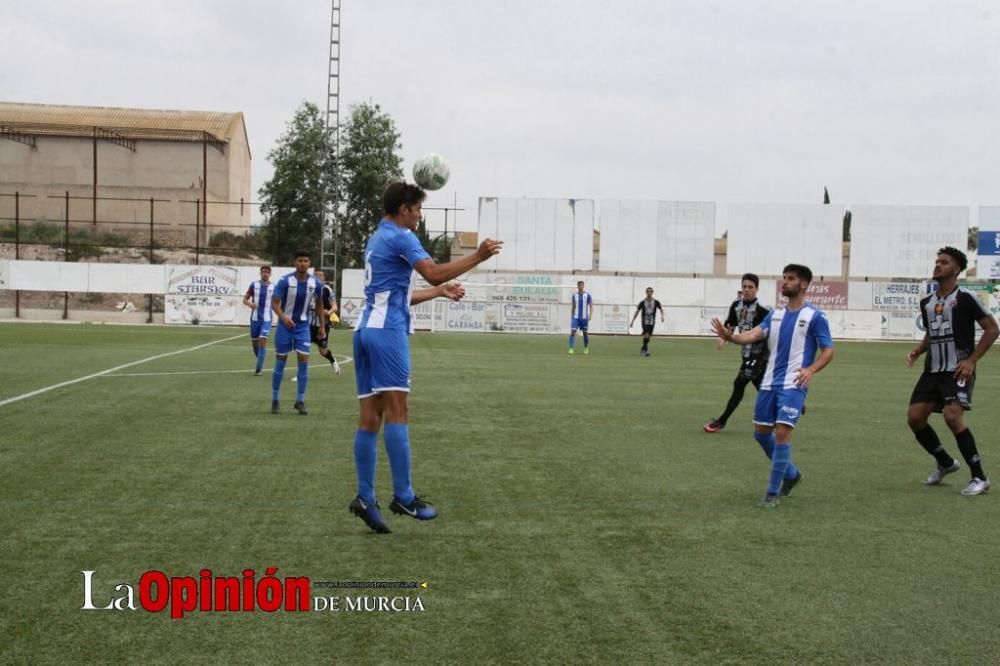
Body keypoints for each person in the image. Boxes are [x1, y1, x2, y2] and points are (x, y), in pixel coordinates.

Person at [348, 181, 503, 534]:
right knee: (399, 411)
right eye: (418, 209)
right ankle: (404, 495)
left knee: (370, 418)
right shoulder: (402, 237)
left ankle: (364, 497)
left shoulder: (378, 237)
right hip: (387, 333)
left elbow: (396, 293)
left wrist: (438, 292)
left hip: (365, 330)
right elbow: (431, 269)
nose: (420, 215)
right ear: (404, 209)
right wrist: (477, 256)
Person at [711, 264, 834, 509]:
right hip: (768, 382)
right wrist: (731, 337)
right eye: (784, 278)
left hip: (794, 383)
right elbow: (754, 335)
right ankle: (791, 473)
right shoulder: (775, 315)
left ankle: (772, 491)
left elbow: (828, 350)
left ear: (804, 285)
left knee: (782, 432)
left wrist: (811, 370)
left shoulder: (815, 316)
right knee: (760, 433)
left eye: (790, 279)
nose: (784, 282)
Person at [906, 247, 999, 496]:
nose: (938, 265)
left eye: (944, 262)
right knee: (915, 418)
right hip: (932, 370)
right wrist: (919, 350)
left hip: (958, 368)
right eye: (936, 261)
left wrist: (971, 361)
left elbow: (992, 329)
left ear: (956, 269)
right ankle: (946, 463)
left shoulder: (967, 297)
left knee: (952, 416)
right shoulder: (927, 301)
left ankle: (980, 477)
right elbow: (932, 332)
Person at [704, 274, 769, 432]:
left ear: (757, 289)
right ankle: (787, 402)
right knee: (760, 384)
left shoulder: (763, 311)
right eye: (744, 286)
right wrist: (723, 338)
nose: (747, 290)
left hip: (759, 354)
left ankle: (721, 421)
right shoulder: (736, 306)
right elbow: (729, 326)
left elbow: (768, 334)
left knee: (739, 384)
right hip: (746, 353)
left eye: (750, 287)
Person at [270, 251, 323, 416]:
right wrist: (284, 318)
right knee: (281, 360)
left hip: (303, 327)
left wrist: (322, 326)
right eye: (300, 260)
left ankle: (300, 400)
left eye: (306, 261)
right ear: (295, 262)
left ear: (309, 263)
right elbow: (275, 303)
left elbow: (320, 304)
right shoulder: (285, 281)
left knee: (304, 360)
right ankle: (275, 399)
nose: (303, 264)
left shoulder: (315, 283)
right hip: (285, 327)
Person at [243, 265, 275, 376]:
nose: (265, 274)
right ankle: (260, 360)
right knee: (255, 344)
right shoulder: (254, 285)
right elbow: (245, 299)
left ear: (270, 274)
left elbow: (277, 302)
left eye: (267, 272)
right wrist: (250, 304)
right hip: (255, 319)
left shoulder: (273, 287)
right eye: (263, 272)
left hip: (267, 318)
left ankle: (258, 369)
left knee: (262, 339)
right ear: (260, 273)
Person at [309, 269, 341, 375]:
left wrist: (329, 312)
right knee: (302, 346)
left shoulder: (327, 290)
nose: (318, 276)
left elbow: (335, 307)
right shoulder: (307, 287)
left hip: (322, 324)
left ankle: (332, 360)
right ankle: (302, 370)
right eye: (316, 274)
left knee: (323, 351)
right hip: (307, 324)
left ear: (324, 277)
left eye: (320, 275)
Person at [629, 287, 664, 356]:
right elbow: (637, 311)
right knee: (646, 334)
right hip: (644, 321)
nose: (649, 293)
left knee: (648, 337)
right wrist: (633, 321)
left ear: (652, 293)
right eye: (648, 291)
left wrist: (662, 316)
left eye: (650, 291)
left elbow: (661, 309)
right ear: (646, 292)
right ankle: (643, 351)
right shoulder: (642, 302)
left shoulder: (656, 302)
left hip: (652, 321)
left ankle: (644, 349)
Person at [568, 281, 593, 355]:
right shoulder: (574, 295)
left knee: (585, 334)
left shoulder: (587, 295)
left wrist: (590, 315)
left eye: (582, 285)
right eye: (579, 285)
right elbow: (573, 306)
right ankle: (571, 348)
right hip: (576, 317)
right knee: (572, 332)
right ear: (577, 286)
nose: (581, 286)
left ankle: (586, 348)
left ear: (584, 286)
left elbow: (591, 306)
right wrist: (572, 316)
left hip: (584, 318)